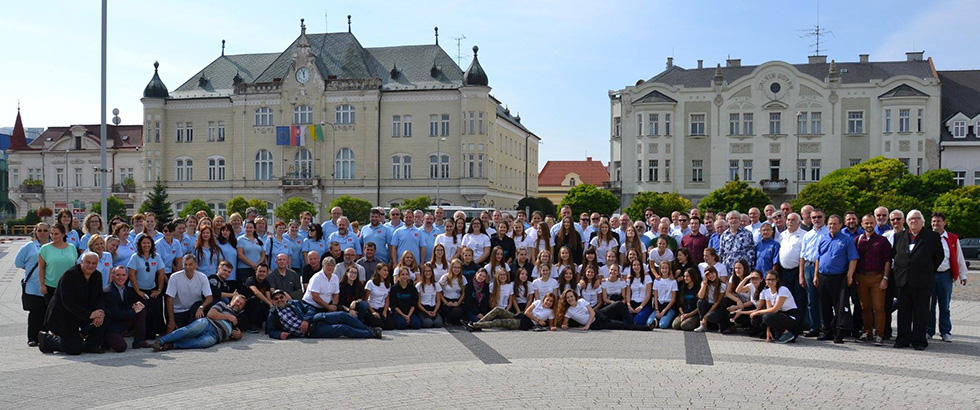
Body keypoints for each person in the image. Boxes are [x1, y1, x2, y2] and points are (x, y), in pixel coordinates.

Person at [892, 210, 944, 350]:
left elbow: (939, 256)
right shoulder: (899, 236)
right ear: (907, 222)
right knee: (903, 312)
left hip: (922, 281)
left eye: (916, 219)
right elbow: (895, 255)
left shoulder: (932, 236)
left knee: (921, 312)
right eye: (910, 219)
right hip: (903, 280)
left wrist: (927, 269)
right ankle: (902, 339)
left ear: (923, 221)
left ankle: (919, 340)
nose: (913, 221)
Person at [37, 252, 107, 355]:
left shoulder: (97, 275)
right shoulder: (70, 275)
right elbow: (68, 302)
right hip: (63, 316)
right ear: (81, 262)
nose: (91, 266)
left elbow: (99, 297)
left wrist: (100, 312)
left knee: (107, 314)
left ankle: (91, 345)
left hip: (81, 314)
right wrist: (89, 315)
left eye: (94, 263)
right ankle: (47, 339)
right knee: (75, 349)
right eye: (88, 262)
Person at [813, 214, 859, 343]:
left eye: (834, 224)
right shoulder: (823, 239)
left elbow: (853, 259)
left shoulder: (846, 240)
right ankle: (827, 331)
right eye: (830, 224)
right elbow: (818, 258)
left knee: (839, 307)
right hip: (823, 277)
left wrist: (849, 276)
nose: (832, 226)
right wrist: (816, 275)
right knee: (825, 306)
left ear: (840, 225)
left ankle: (839, 332)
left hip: (838, 278)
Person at [266, 290, 381, 340]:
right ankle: (370, 333)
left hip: (315, 319)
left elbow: (310, 309)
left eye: (281, 297)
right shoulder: (273, 313)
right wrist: (279, 334)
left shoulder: (294, 303)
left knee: (342, 315)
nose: (279, 300)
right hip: (311, 332)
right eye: (276, 299)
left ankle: (369, 330)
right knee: (342, 329)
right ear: (273, 301)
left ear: (285, 297)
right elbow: (270, 330)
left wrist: (306, 319)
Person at [929, 212, 969, 343]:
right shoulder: (927, 237)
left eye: (938, 221)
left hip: (945, 275)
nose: (935, 224)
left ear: (944, 223)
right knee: (930, 305)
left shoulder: (952, 238)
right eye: (933, 221)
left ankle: (945, 331)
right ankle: (929, 330)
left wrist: (963, 274)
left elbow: (959, 257)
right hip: (930, 275)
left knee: (944, 305)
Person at [152, 295, 245, 351]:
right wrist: (228, 317)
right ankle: (161, 341)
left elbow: (238, 332)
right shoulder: (223, 305)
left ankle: (172, 345)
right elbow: (211, 314)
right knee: (188, 330)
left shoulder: (238, 317)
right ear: (232, 300)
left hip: (215, 336)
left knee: (204, 343)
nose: (238, 304)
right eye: (237, 301)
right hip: (207, 323)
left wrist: (239, 335)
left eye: (241, 304)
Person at [854, 214, 893, 346]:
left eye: (871, 223)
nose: (869, 226)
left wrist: (885, 278)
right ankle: (868, 332)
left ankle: (879, 334)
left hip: (877, 278)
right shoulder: (858, 240)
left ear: (875, 224)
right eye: (866, 223)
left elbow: (888, 261)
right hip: (861, 277)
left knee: (878, 308)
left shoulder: (882, 241)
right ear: (862, 225)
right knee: (865, 307)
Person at [127, 234, 167, 338]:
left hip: (151, 288)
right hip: (136, 289)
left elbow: (161, 273)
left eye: (148, 243)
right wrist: (138, 291)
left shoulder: (156, 256)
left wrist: (159, 289)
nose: (146, 245)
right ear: (139, 244)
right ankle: (139, 334)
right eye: (144, 243)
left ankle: (153, 333)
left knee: (156, 309)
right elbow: (131, 275)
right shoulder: (135, 257)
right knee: (143, 310)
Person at [17, 222, 50, 346]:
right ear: (35, 232)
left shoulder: (53, 245)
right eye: (40, 230)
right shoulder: (29, 246)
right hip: (33, 285)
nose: (42, 233)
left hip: (49, 284)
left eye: (45, 230)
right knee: (35, 312)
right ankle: (32, 337)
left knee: (47, 311)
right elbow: (18, 262)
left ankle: (45, 337)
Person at [103, 266, 150, 352]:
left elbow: (124, 307)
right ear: (112, 276)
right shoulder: (108, 292)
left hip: (120, 322)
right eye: (118, 275)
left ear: (127, 276)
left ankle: (139, 341)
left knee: (141, 310)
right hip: (111, 327)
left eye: (124, 275)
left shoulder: (123, 288)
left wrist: (135, 306)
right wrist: (134, 310)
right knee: (121, 347)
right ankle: (104, 340)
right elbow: (116, 314)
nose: (121, 277)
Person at [799, 207, 829, 337]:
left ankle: (825, 326)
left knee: (823, 299)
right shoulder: (808, 235)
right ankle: (814, 327)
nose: (816, 220)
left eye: (819, 217)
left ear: (824, 218)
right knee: (811, 300)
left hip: (823, 268)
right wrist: (801, 275)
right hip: (808, 267)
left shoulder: (828, 232)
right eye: (814, 217)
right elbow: (802, 256)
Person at [750, 270, 801, 344]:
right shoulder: (767, 292)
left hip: (790, 317)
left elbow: (775, 309)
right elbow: (768, 310)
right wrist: (768, 330)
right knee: (756, 318)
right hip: (778, 315)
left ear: (777, 280)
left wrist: (757, 311)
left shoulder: (783, 290)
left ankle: (788, 333)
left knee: (765, 317)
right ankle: (774, 333)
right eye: (768, 279)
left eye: (772, 279)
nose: (770, 282)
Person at [165, 254, 213, 330]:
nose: (187, 267)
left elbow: (209, 298)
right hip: (179, 311)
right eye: (185, 264)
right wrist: (171, 320)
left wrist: (201, 307)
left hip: (195, 310)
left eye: (190, 264)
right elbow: (169, 300)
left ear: (196, 265)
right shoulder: (174, 277)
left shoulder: (202, 277)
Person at [465, 292, 557, 332]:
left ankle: (474, 325)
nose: (548, 302)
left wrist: (552, 327)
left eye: (551, 301)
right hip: (521, 316)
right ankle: (477, 324)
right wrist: (538, 320)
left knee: (499, 322)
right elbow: (527, 312)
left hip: (524, 323)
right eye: (547, 300)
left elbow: (551, 324)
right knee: (498, 310)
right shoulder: (538, 302)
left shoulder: (550, 312)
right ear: (544, 299)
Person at [38, 223, 79, 305]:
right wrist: (42, 285)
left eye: (56, 234)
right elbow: (41, 268)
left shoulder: (72, 247)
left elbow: (75, 266)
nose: (53, 236)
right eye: (51, 234)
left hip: (69, 286)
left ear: (63, 234)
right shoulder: (45, 249)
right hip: (51, 286)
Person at [694, 266, 727, 332]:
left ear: (716, 273)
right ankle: (703, 325)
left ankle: (718, 324)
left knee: (710, 316)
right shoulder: (705, 284)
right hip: (708, 304)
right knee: (700, 302)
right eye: (708, 275)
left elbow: (717, 302)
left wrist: (705, 317)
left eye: (712, 273)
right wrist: (705, 282)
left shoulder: (722, 285)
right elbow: (700, 296)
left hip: (716, 307)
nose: (711, 276)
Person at [648, 260, 678, 329]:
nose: (664, 270)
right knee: (649, 323)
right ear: (660, 269)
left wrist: (664, 311)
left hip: (668, 306)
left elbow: (673, 299)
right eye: (663, 268)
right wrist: (657, 309)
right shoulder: (657, 281)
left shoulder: (673, 282)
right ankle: (657, 319)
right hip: (659, 305)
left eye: (666, 268)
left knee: (663, 325)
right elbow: (655, 297)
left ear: (669, 269)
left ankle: (665, 319)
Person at [236, 220, 266, 290]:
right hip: (244, 270)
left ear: (254, 229)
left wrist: (258, 264)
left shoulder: (259, 240)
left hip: (256, 270)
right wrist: (252, 264)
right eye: (247, 227)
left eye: (251, 228)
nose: (249, 229)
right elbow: (240, 255)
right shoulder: (240, 239)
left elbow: (263, 254)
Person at [363, 264, 392, 329]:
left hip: (382, 308)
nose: (386, 272)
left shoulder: (388, 284)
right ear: (378, 271)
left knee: (390, 325)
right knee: (379, 324)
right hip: (372, 308)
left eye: (387, 271)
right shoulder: (370, 283)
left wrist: (385, 311)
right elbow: (366, 299)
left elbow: (387, 299)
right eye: (384, 270)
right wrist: (373, 311)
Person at [625, 259, 654, 326]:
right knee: (626, 321)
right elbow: (628, 294)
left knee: (638, 321)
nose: (636, 267)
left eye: (638, 265)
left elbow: (648, 295)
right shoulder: (629, 279)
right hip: (633, 303)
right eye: (634, 265)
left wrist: (640, 307)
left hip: (643, 304)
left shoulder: (647, 277)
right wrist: (629, 306)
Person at [439, 259, 467, 325]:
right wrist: (446, 302)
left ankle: (452, 320)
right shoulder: (445, 277)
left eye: (458, 268)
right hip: (446, 300)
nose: (456, 269)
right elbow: (439, 292)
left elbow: (463, 292)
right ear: (451, 267)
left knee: (458, 310)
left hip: (457, 301)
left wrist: (458, 302)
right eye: (455, 267)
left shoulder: (463, 278)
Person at [416, 263, 443, 328]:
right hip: (424, 308)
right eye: (426, 271)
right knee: (428, 324)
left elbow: (438, 301)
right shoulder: (419, 286)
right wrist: (426, 312)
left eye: (430, 271)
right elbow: (418, 303)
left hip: (433, 308)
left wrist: (435, 311)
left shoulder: (436, 285)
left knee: (438, 324)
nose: (428, 273)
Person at [216, 224, 240, 288]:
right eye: (223, 230)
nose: (225, 232)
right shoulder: (218, 243)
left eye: (227, 230)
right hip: (224, 275)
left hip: (233, 274)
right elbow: (219, 259)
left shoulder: (234, 243)